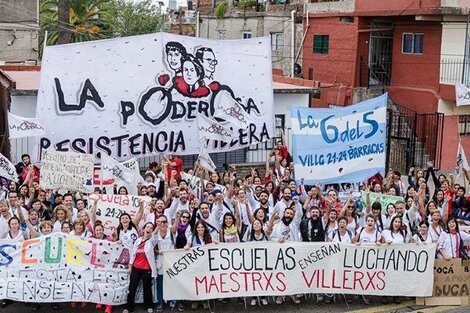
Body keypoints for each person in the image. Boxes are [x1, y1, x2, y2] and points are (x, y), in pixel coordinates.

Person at [123, 222, 160, 313]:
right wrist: (130, 267)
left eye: (151, 228)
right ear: (143, 229)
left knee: (147, 288)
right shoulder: (138, 241)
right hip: (136, 268)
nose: (149, 229)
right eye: (147, 227)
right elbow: (133, 254)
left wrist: (158, 226)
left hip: (146, 269)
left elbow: (155, 236)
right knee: (132, 288)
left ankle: (148, 306)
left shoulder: (152, 241)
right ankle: (129, 307)